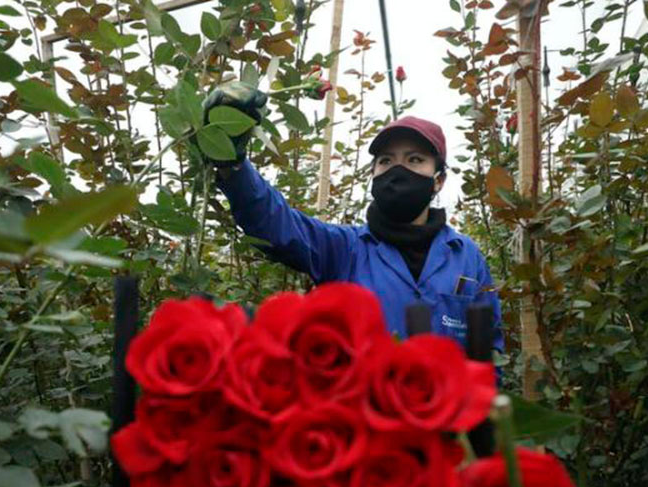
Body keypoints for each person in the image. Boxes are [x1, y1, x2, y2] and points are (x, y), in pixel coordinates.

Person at [203, 82, 505, 357]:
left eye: (414, 160)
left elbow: (486, 355)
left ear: (438, 180)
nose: (397, 170)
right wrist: (232, 163)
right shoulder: (344, 249)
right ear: (373, 174)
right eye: (386, 161)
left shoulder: (466, 259)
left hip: (446, 417)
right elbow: (275, 223)